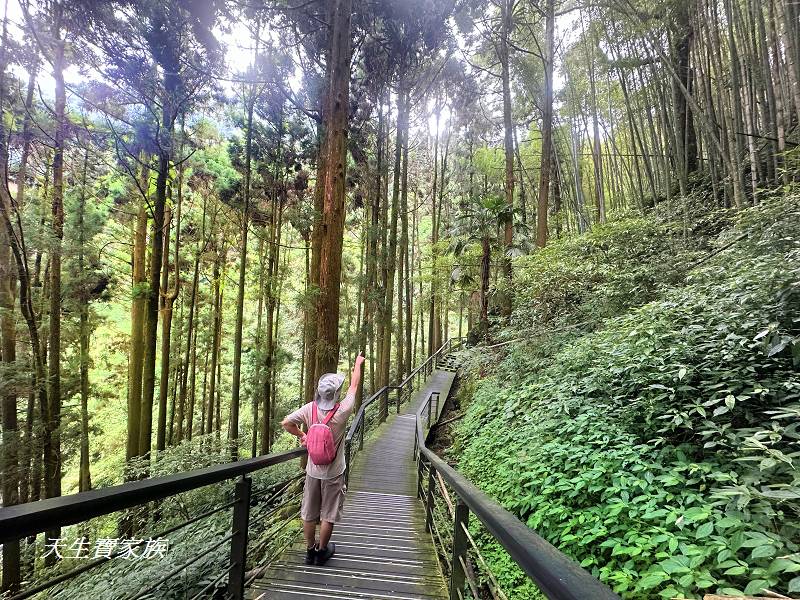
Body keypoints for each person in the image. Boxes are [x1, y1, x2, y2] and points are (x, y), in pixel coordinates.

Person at [281, 351, 365, 566]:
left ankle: (309, 551)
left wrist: (303, 435)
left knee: (309, 511)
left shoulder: (310, 408)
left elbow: (286, 423)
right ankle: (321, 551)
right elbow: (354, 387)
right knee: (328, 513)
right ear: (336, 394)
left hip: (312, 470)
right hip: (334, 472)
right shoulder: (343, 410)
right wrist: (357, 364)